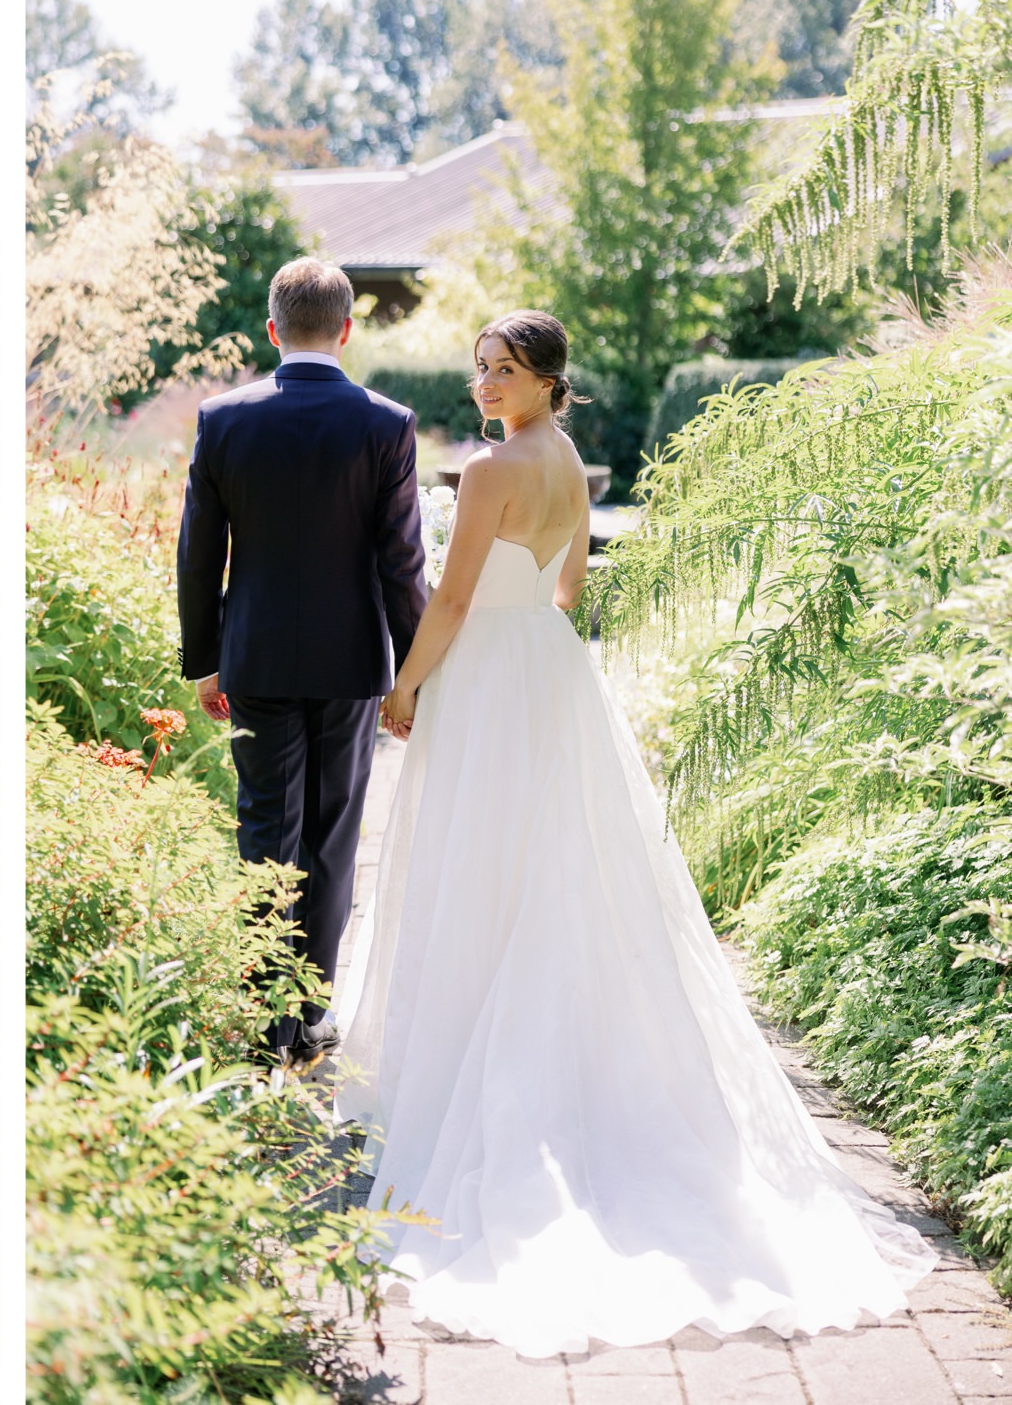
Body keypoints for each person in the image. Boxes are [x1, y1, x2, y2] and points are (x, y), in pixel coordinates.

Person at [332, 310, 936, 1355]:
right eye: (479, 368)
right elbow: (568, 587)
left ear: (546, 377)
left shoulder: (485, 475)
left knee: (477, 864)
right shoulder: (564, 455)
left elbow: (454, 596)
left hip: (484, 678)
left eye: (503, 370)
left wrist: (402, 686)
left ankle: (481, 1072)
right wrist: (531, 628)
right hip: (550, 675)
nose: (484, 384)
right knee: (555, 869)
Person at [176, 256, 429, 1066]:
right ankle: (309, 1018)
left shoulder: (223, 419)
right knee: (330, 839)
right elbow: (402, 562)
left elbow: (197, 554)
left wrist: (205, 661)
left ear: (273, 330)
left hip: (254, 659)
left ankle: (263, 1023)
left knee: (265, 831)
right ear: (348, 330)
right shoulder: (386, 423)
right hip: (354, 660)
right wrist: (411, 670)